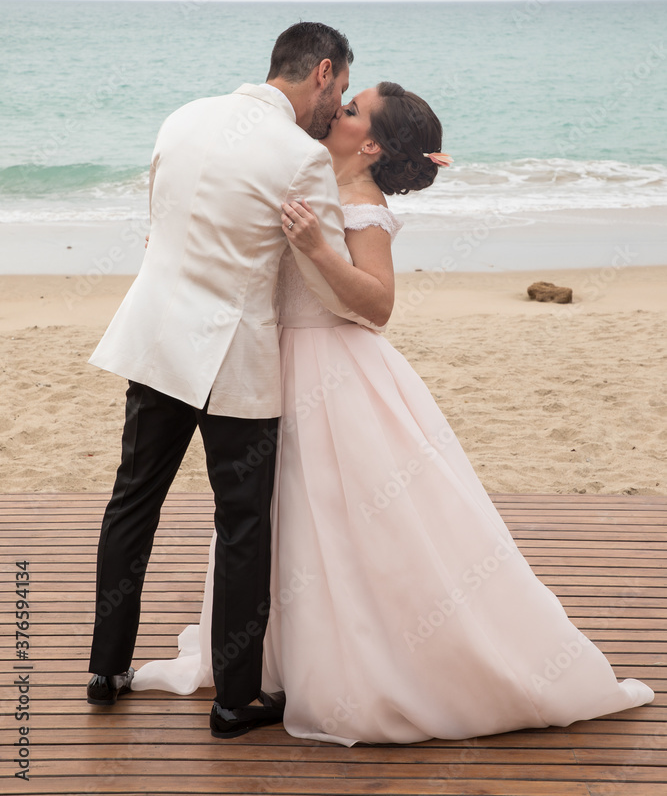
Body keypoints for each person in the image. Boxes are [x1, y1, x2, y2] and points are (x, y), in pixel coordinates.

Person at [131, 81, 654, 744]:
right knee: (277, 516)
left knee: (356, 518)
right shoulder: (307, 177)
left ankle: (382, 662)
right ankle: (276, 658)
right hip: (274, 364)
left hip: (337, 369)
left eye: (351, 111)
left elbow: (377, 306)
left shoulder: (362, 205)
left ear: (371, 143)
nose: (336, 112)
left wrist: (319, 247)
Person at [85, 22, 381, 739]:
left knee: (133, 501)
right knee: (242, 522)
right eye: (338, 89)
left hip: (154, 337)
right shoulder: (299, 158)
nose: (334, 105)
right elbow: (327, 280)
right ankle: (235, 701)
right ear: (320, 71)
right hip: (230, 357)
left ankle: (107, 669)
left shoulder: (181, 117)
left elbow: (159, 224)